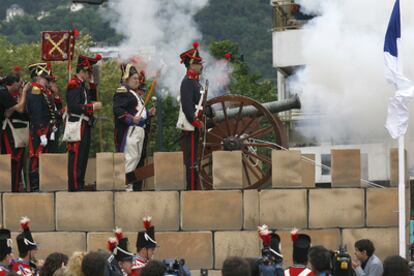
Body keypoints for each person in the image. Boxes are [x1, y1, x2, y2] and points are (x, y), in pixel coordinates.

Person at [65, 54, 102, 191]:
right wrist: (91, 107)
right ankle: (75, 186)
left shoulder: (82, 86)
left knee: (83, 156)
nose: (89, 75)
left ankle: (80, 183)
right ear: (83, 71)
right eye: (89, 72)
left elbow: (93, 98)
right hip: (77, 123)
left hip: (85, 123)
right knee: (76, 157)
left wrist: (93, 85)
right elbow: (74, 106)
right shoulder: (74, 85)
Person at [113, 65, 152, 191]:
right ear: (127, 78)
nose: (137, 81)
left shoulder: (134, 94)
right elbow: (117, 109)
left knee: (135, 159)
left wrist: (148, 114)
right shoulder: (123, 91)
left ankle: (128, 187)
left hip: (139, 130)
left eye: (137, 78)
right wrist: (130, 118)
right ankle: (125, 188)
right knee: (130, 160)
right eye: (134, 78)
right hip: (131, 131)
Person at [176, 42, 205, 190]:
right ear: (191, 65)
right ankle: (191, 188)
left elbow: (200, 104)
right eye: (199, 63)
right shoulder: (187, 82)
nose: (201, 65)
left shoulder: (196, 82)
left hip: (196, 124)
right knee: (191, 160)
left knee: (195, 158)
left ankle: (195, 186)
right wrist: (195, 121)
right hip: (190, 126)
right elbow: (187, 106)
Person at [26, 63, 58, 192]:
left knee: (45, 156)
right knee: (36, 157)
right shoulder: (35, 91)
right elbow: (36, 113)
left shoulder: (43, 91)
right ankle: (35, 186)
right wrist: (41, 132)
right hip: (40, 130)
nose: (47, 81)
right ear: (39, 78)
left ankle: (44, 184)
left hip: (48, 128)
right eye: (46, 79)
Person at [0, 74, 30, 192]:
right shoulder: (2, 93)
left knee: (17, 162)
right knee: (13, 159)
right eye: (19, 83)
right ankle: (12, 189)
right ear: (13, 83)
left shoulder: (8, 94)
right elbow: (20, 108)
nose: (21, 85)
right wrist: (24, 93)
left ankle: (15, 187)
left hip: (14, 131)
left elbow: (17, 109)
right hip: (7, 131)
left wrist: (13, 108)